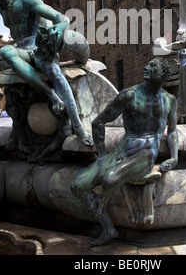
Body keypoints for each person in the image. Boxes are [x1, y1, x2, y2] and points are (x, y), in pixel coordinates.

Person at [71, 58, 178, 246]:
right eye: (148, 64)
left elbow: (173, 131)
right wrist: (103, 154)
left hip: (146, 153)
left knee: (110, 179)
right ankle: (108, 229)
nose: (146, 66)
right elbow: (98, 122)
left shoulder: (169, 100)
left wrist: (174, 157)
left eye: (152, 66)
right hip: (123, 150)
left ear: (163, 75)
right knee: (78, 186)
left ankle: (101, 202)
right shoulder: (129, 95)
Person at [0, 0, 93, 147]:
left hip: (38, 46)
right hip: (21, 49)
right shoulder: (2, 9)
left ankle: (78, 126)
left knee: (53, 72)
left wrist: (59, 28)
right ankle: (51, 95)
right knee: (5, 51)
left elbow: (61, 17)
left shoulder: (26, 0)